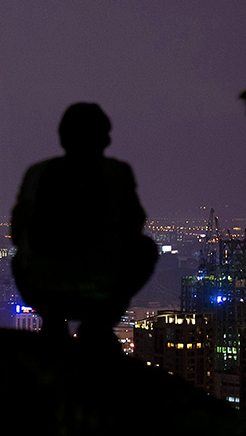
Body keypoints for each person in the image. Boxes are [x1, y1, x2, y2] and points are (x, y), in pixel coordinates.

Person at [11, 103, 158, 350]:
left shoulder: (37, 173)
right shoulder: (117, 173)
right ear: (103, 139)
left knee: (18, 258)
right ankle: (98, 326)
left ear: (62, 137)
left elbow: (17, 233)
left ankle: (53, 324)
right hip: (100, 290)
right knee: (145, 249)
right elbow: (135, 225)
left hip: (45, 290)